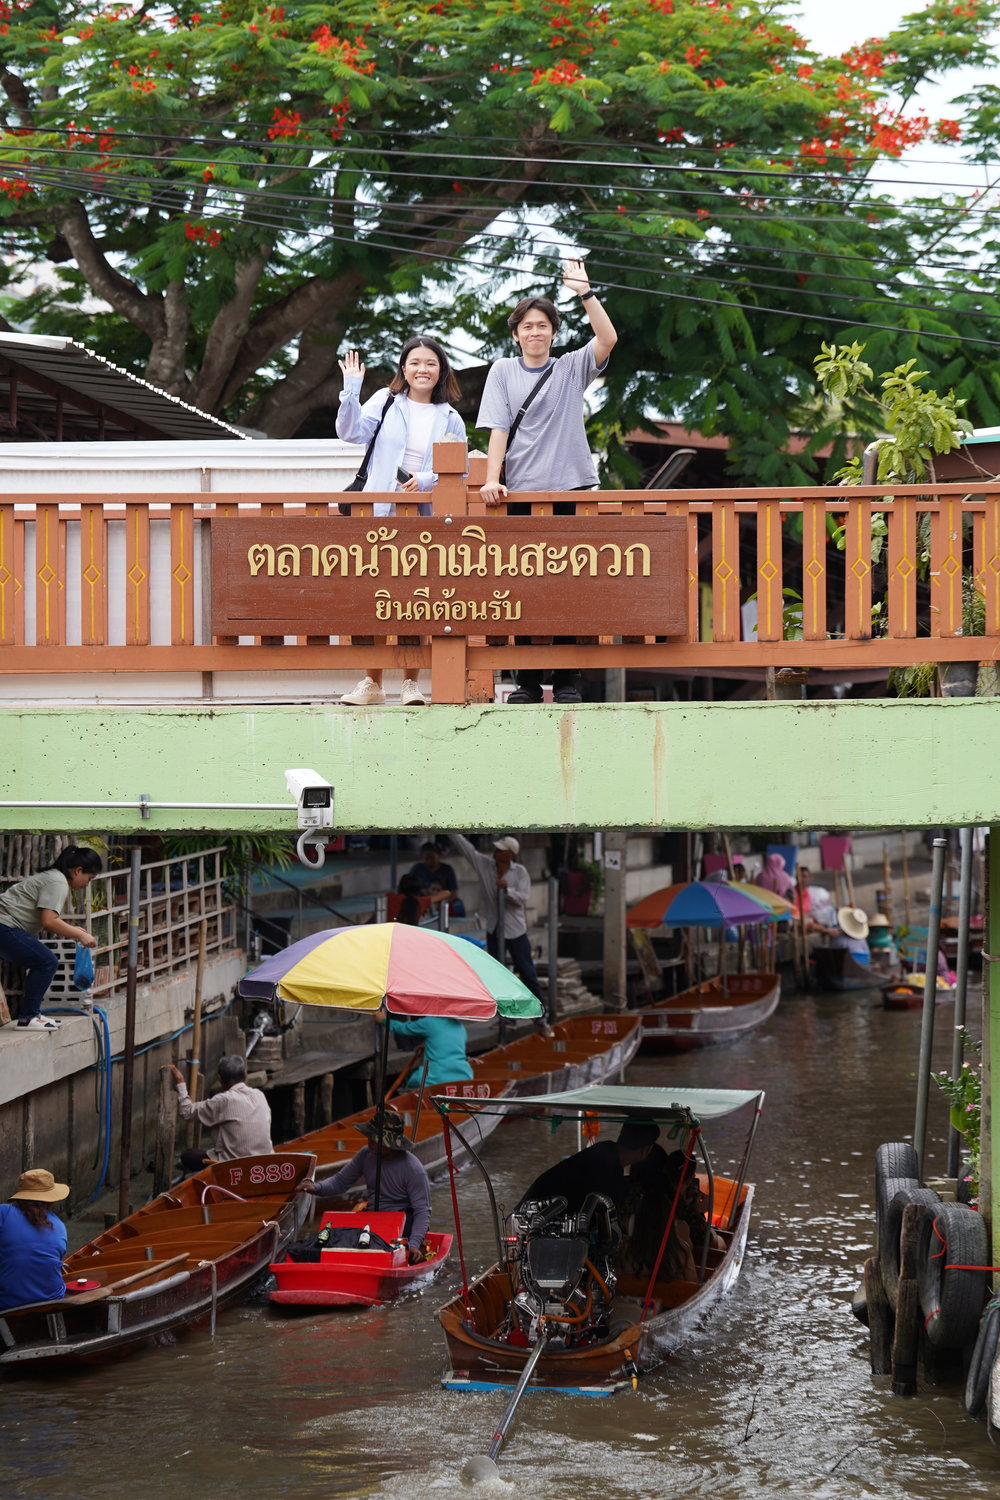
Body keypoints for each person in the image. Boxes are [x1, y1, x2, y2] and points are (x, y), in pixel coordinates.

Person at [477, 258, 618, 704]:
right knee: (525, 587)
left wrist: (585, 291)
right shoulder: (502, 371)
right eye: (527, 326)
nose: (535, 332)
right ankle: (527, 682)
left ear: (553, 333)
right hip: (520, 494)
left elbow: (608, 338)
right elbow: (498, 429)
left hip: (572, 490)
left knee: (573, 585)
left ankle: (570, 680)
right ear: (515, 333)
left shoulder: (571, 368)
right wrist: (490, 478)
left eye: (543, 326)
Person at [336, 336, 467, 708]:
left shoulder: (450, 416)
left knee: (415, 598)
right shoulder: (386, 400)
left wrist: (426, 479)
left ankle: (411, 683)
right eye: (415, 362)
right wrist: (351, 389)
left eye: (430, 363)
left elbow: (462, 469)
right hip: (378, 513)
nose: (422, 369)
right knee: (371, 597)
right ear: (404, 369)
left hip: (423, 519)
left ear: (440, 370)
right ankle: (371, 682)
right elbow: (349, 432)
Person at [300, 1109, 432, 1264]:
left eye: (378, 1141)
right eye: (370, 1138)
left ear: (392, 1143)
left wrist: (414, 1244)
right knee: (333, 1238)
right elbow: (341, 1181)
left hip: (401, 1222)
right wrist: (316, 1188)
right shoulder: (366, 1154)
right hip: (372, 1217)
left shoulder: (413, 1169)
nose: (371, 1144)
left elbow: (422, 1211)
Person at [0, 846, 101, 1032]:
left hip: (6, 925)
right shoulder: (58, 882)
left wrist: (74, 930)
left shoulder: (54, 877)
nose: (88, 883)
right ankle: (29, 1016)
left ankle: (32, 1015)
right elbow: (49, 921)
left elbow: (49, 918)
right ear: (78, 870)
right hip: (5, 925)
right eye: (90, 878)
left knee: (43, 961)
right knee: (46, 962)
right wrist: (79, 934)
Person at [448, 833, 542, 1001]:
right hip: (494, 928)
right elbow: (468, 850)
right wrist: (450, 831)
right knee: (497, 973)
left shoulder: (520, 873)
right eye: (496, 849)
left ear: (511, 855)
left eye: (500, 850)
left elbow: (523, 898)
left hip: (515, 931)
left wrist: (507, 891)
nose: (496, 852)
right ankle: (505, 1016)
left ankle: (540, 1013)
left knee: (526, 971)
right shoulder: (485, 866)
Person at [518, 1120, 660, 1216]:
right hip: (535, 1221)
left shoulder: (603, 1151)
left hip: (525, 1214)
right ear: (644, 1150)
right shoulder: (609, 1170)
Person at [170, 1054, 274, 1172]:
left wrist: (180, 1083)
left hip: (234, 1165)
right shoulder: (259, 1094)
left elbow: (186, 1111)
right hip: (265, 1160)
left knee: (187, 1156)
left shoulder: (223, 1100)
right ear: (245, 1075)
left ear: (219, 1079)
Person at [0, 1168, 69, 1311]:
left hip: (7, 1303)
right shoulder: (60, 1226)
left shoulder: (4, 1213)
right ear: (51, 1201)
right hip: (52, 1300)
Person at [388, 1013, 473, 1087]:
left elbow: (403, 1028)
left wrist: (384, 1020)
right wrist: (429, 1045)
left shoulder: (430, 1022)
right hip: (464, 1075)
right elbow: (448, 1044)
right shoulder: (460, 1027)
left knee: (411, 1082)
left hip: (434, 1077)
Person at [406, 842, 464, 915]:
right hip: (423, 902)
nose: (429, 861)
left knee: (458, 905)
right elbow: (408, 887)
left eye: (432, 858)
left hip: (442, 902)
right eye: (426, 859)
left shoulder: (447, 869)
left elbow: (453, 891)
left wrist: (442, 902)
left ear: (438, 856)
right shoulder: (417, 869)